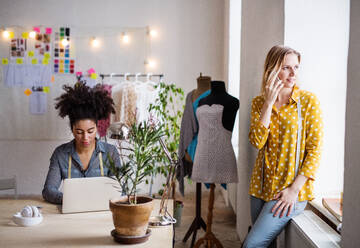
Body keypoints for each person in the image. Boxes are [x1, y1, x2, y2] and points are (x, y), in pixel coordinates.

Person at [242, 45, 323, 247]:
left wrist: (293, 190)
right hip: (260, 187)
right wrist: (268, 104)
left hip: (289, 191)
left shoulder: (307, 102)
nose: (293, 73)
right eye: (286, 67)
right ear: (272, 69)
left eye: (296, 67)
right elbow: (257, 142)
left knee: (252, 244)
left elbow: (314, 150)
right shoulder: (259, 102)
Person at [42, 82, 121, 204]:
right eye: (79, 132)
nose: (85, 137)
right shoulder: (60, 154)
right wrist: (69, 200)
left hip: (101, 211)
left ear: (97, 128)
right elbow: (48, 190)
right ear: (72, 129)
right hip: (71, 209)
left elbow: (121, 189)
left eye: (90, 131)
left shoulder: (111, 153)